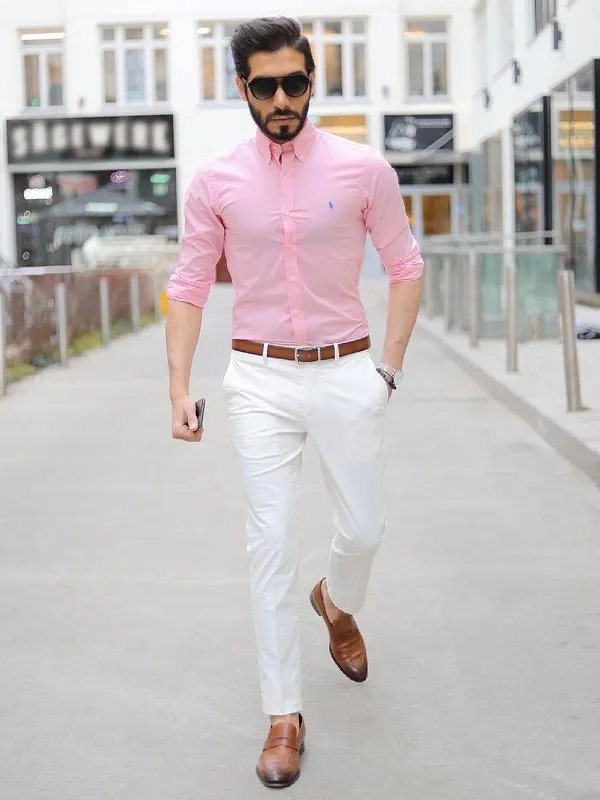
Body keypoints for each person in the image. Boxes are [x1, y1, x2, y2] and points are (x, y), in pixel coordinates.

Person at [165, 16, 423, 789]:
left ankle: (337, 605)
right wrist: (178, 385)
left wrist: (388, 371)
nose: (284, 98)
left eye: (297, 82)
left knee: (365, 528)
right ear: (242, 87)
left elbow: (405, 266)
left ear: (314, 80)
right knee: (270, 547)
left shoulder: (363, 168)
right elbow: (187, 284)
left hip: (347, 372)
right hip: (259, 379)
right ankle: (283, 715)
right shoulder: (214, 181)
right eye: (267, 85)